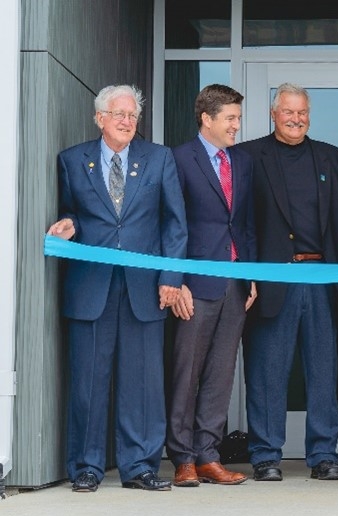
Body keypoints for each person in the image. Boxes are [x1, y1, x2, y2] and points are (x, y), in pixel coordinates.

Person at [47, 85, 187, 492]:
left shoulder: (159, 159)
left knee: (142, 383)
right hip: (92, 288)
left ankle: (140, 466)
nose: (127, 121)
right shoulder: (73, 160)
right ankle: (87, 466)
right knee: (89, 382)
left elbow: (174, 224)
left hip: (145, 289)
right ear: (100, 118)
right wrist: (67, 225)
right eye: (119, 113)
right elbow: (70, 211)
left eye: (132, 115)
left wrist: (171, 278)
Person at [236, 83, 338, 482]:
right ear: (274, 114)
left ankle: (324, 454)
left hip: (323, 278)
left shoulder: (334, 159)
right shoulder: (249, 157)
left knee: (324, 371)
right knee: (268, 371)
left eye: (302, 112)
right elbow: (240, 223)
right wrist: (248, 276)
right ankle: (265, 454)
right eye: (288, 112)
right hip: (273, 279)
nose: (296, 118)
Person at [166, 84, 257, 487]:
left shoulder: (243, 161)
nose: (237, 125)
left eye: (238, 117)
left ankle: (207, 454)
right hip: (194, 284)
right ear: (207, 118)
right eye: (231, 118)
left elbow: (245, 222)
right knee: (187, 373)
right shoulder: (177, 159)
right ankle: (182, 457)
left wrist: (251, 274)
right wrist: (175, 282)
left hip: (234, 284)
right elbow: (169, 223)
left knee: (221, 374)